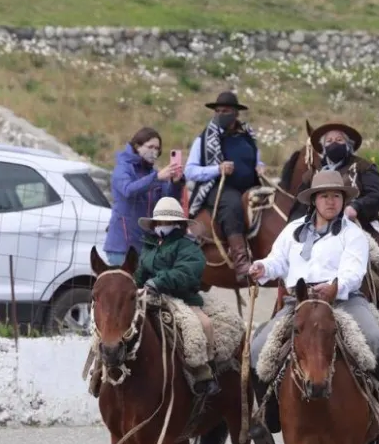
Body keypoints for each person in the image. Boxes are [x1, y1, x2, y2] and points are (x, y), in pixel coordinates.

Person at [245, 171, 379, 443]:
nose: (331, 201)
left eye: (336, 196)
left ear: (343, 200)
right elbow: (277, 262)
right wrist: (262, 267)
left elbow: (354, 271)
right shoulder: (292, 231)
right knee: (258, 347)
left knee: (376, 339)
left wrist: (336, 286)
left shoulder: (352, 233)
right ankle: (268, 412)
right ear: (314, 201)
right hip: (299, 302)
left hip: (343, 300)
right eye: (325, 196)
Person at [296, 122, 379, 316]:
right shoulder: (313, 175)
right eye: (330, 141)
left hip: (363, 225)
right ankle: (285, 312)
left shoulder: (364, 166)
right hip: (319, 228)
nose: (334, 143)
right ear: (323, 148)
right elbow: (299, 205)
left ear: (348, 144)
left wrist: (356, 207)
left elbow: (377, 197)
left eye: (339, 140)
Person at [134, 196, 220, 397]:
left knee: (201, 325)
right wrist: (133, 284)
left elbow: (186, 272)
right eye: (160, 222)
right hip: (149, 295)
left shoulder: (188, 247)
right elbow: (140, 273)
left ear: (178, 224)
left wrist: (159, 281)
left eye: (168, 222)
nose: (163, 226)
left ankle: (205, 373)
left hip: (181, 298)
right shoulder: (149, 246)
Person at [184, 91, 266, 283]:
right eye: (218, 111)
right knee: (232, 204)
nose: (221, 114)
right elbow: (190, 171)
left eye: (226, 111)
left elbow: (256, 159)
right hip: (217, 188)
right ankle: (240, 262)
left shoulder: (248, 136)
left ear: (236, 113)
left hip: (250, 187)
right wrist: (217, 169)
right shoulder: (203, 140)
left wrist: (260, 166)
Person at [104, 126, 184, 266]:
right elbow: (128, 190)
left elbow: (167, 201)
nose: (154, 151)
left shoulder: (153, 173)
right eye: (150, 146)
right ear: (137, 146)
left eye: (157, 148)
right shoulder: (123, 168)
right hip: (122, 247)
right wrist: (157, 178)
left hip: (147, 247)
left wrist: (176, 183)